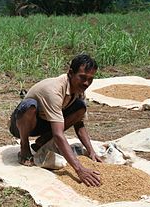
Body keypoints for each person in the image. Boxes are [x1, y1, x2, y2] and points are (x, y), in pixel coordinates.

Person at [9, 54, 102, 187]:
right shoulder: (54, 90)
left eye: (90, 79)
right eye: (82, 77)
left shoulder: (79, 89)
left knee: (81, 107)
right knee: (29, 106)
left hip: (45, 122)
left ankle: (43, 141)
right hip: (22, 124)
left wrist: (91, 151)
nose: (86, 83)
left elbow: (79, 124)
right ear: (70, 73)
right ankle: (24, 146)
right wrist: (79, 169)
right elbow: (59, 135)